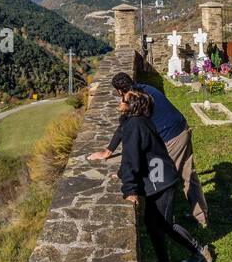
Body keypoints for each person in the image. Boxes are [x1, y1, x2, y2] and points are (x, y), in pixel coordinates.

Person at [115, 89, 214, 262]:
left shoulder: (135, 125)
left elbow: (131, 159)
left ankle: (200, 252)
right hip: (158, 177)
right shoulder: (141, 121)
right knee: (153, 225)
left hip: (161, 180)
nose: (119, 103)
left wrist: (129, 189)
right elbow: (143, 154)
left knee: (165, 224)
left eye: (123, 100)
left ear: (130, 107)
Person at [89, 73, 209, 227]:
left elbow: (126, 133)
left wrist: (108, 153)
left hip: (171, 137)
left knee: (162, 180)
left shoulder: (134, 99)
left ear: (119, 91)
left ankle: (165, 222)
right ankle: (200, 217)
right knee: (188, 174)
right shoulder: (145, 89)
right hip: (182, 128)